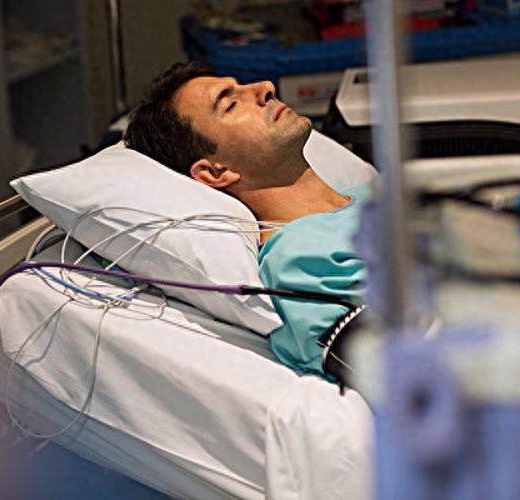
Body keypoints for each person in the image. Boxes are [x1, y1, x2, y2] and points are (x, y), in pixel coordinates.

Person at [124, 61, 367, 380]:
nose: (266, 87)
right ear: (215, 171)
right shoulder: (297, 262)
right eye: (230, 104)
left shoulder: (372, 195)